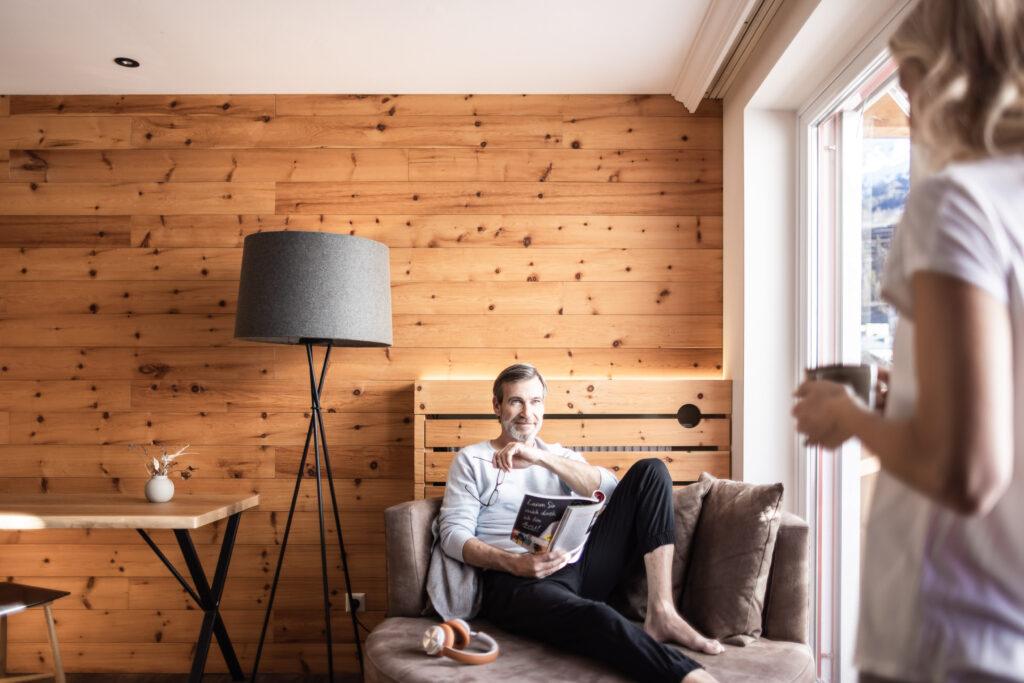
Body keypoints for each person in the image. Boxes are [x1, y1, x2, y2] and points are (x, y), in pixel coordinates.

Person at [792, 1, 1024, 680]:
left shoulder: (958, 203)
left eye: (909, 76)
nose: (905, 99)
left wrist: (849, 417)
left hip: (947, 634)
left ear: (952, 76)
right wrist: (911, 395)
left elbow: (965, 470)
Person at [438, 363, 722, 683]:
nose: (526, 412)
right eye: (516, 401)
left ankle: (662, 610)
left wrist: (540, 458)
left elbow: (610, 491)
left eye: (535, 402)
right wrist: (514, 564)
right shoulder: (471, 460)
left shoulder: (558, 456)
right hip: (517, 582)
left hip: (580, 566)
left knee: (652, 471)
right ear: (497, 406)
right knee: (597, 616)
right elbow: (452, 534)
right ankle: (690, 677)